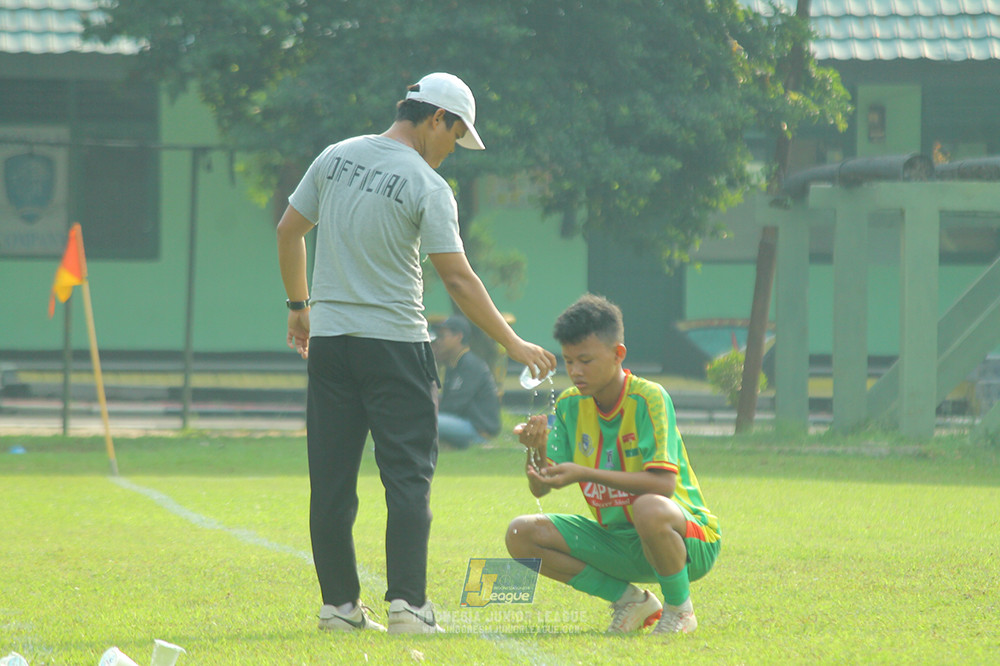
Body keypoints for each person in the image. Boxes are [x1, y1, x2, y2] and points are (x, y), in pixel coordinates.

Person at [276, 72, 557, 634]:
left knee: (330, 479)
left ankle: (338, 609)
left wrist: (298, 305)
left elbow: (289, 230)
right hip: (397, 348)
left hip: (330, 345)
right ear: (437, 119)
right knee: (407, 479)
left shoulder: (335, 156)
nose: (453, 150)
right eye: (456, 136)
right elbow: (456, 278)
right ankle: (407, 606)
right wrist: (513, 341)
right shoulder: (427, 186)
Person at [506, 293, 720, 635]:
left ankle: (680, 610)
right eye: (569, 361)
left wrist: (584, 472)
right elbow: (540, 486)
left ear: (618, 353)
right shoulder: (569, 405)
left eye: (586, 360)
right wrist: (536, 449)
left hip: (687, 539)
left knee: (648, 507)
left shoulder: (649, 397)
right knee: (520, 533)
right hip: (618, 541)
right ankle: (630, 601)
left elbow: (663, 486)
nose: (575, 371)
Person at [431, 315, 502, 449]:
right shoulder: (454, 363)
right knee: (422, 417)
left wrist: (428, 411)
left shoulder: (470, 364)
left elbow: (454, 405)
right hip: (462, 424)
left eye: (442, 336)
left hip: (478, 430)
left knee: (424, 420)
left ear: (458, 336)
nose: (438, 341)